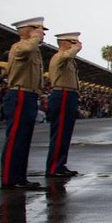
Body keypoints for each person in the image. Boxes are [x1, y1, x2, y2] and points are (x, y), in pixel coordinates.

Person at [1, 17, 46, 190]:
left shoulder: (33, 50)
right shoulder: (20, 46)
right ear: (29, 30)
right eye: (39, 29)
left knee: (24, 140)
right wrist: (35, 37)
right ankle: (9, 178)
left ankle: (19, 177)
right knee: (15, 139)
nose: (42, 34)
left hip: (29, 95)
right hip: (19, 94)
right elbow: (28, 47)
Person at [45, 31, 83, 177]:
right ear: (65, 43)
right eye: (74, 42)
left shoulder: (68, 59)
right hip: (62, 94)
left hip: (69, 94)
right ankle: (54, 167)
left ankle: (60, 165)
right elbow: (67, 55)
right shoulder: (60, 56)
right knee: (60, 132)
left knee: (65, 133)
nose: (78, 45)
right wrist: (75, 49)